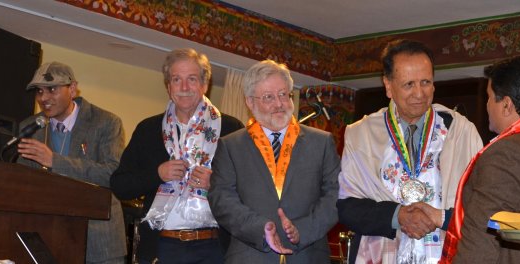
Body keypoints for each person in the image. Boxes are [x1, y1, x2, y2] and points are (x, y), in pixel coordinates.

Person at [337, 39, 483, 264]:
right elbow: (348, 208)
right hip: (381, 254)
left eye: (426, 82)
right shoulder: (361, 134)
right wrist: (399, 216)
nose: (419, 93)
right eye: (409, 84)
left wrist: (439, 218)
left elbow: (480, 206)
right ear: (388, 85)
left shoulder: (460, 130)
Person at [110, 48, 243, 263]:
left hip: (215, 247)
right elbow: (120, 185)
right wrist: (157, 174)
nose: (184, 87)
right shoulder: (148, 129)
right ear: (168, 86)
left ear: (204, 84)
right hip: (161, 246)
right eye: (176, 79)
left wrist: (216, 182)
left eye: (191, 79)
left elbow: (250, 190)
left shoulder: (231, 129)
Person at [208, 59, 340, 263]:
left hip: (308, 255)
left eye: (283, 95)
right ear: (250, 102)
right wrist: (260, 228)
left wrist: (301, 231)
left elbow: (335, 196)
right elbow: (222, 200)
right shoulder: (230, 146)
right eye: (269, 97)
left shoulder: (321, 142)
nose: (279, 104)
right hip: (250, 256)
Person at [439, 55, 520, 264]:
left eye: (489, 97)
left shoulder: (509, 152)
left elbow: (481, 234)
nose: (487, 104)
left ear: (506, 105)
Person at [18, 61, 127, 264]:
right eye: (39, 92)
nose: (44, 98)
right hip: (48, 237)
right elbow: (23, 183)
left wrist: (54, 161)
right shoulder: (31, 127)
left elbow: (112, 174)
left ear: (73, 89)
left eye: (52, 89)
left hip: (99, 242)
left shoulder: (106, 123)